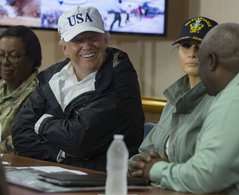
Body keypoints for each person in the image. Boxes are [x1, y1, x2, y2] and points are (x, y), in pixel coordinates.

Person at [131, 22, 239, 195]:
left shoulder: (236, 100)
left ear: (211, 61)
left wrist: (155, 169)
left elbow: (204, 178)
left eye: (201, 61)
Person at [11, 6, 144, 171]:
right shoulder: (51, 78)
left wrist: (43, 124)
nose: (87, 46)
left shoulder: (121, 78)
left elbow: (80, 139)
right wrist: (60, 155)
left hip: (106, 179)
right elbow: (20, 134)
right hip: (55, 175)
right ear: (65, 48)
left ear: (105, 40)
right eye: (77, 40)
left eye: (93, 38)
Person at [128, 15, 217, 182]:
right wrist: (133, 168)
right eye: (186, 46)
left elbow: (209, 169)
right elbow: (145, 151)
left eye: (201, 46)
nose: (192, 53)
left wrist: (162, 169)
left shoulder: (220, 101)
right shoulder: (174, 98)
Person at [0, 25, 41, 153]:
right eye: (1, 54)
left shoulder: (40, 94)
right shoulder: (2, 86)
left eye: (14, 55)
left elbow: (22, 142)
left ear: (32, 58)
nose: (5, 61)